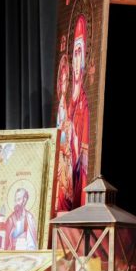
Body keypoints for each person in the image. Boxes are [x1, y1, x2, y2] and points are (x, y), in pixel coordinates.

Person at [69, 14, 90, 209]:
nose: (76, 61)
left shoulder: (84, 101)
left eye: (79, 53)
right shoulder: (69, 103)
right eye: (74, 54)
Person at [55, 54, 74, 212]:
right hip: (58, 160)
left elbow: (67, 143)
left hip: (65, 162)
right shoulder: (60, 108)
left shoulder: (69, 109)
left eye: (66, 79)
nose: (63, 83)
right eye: (61, 80)